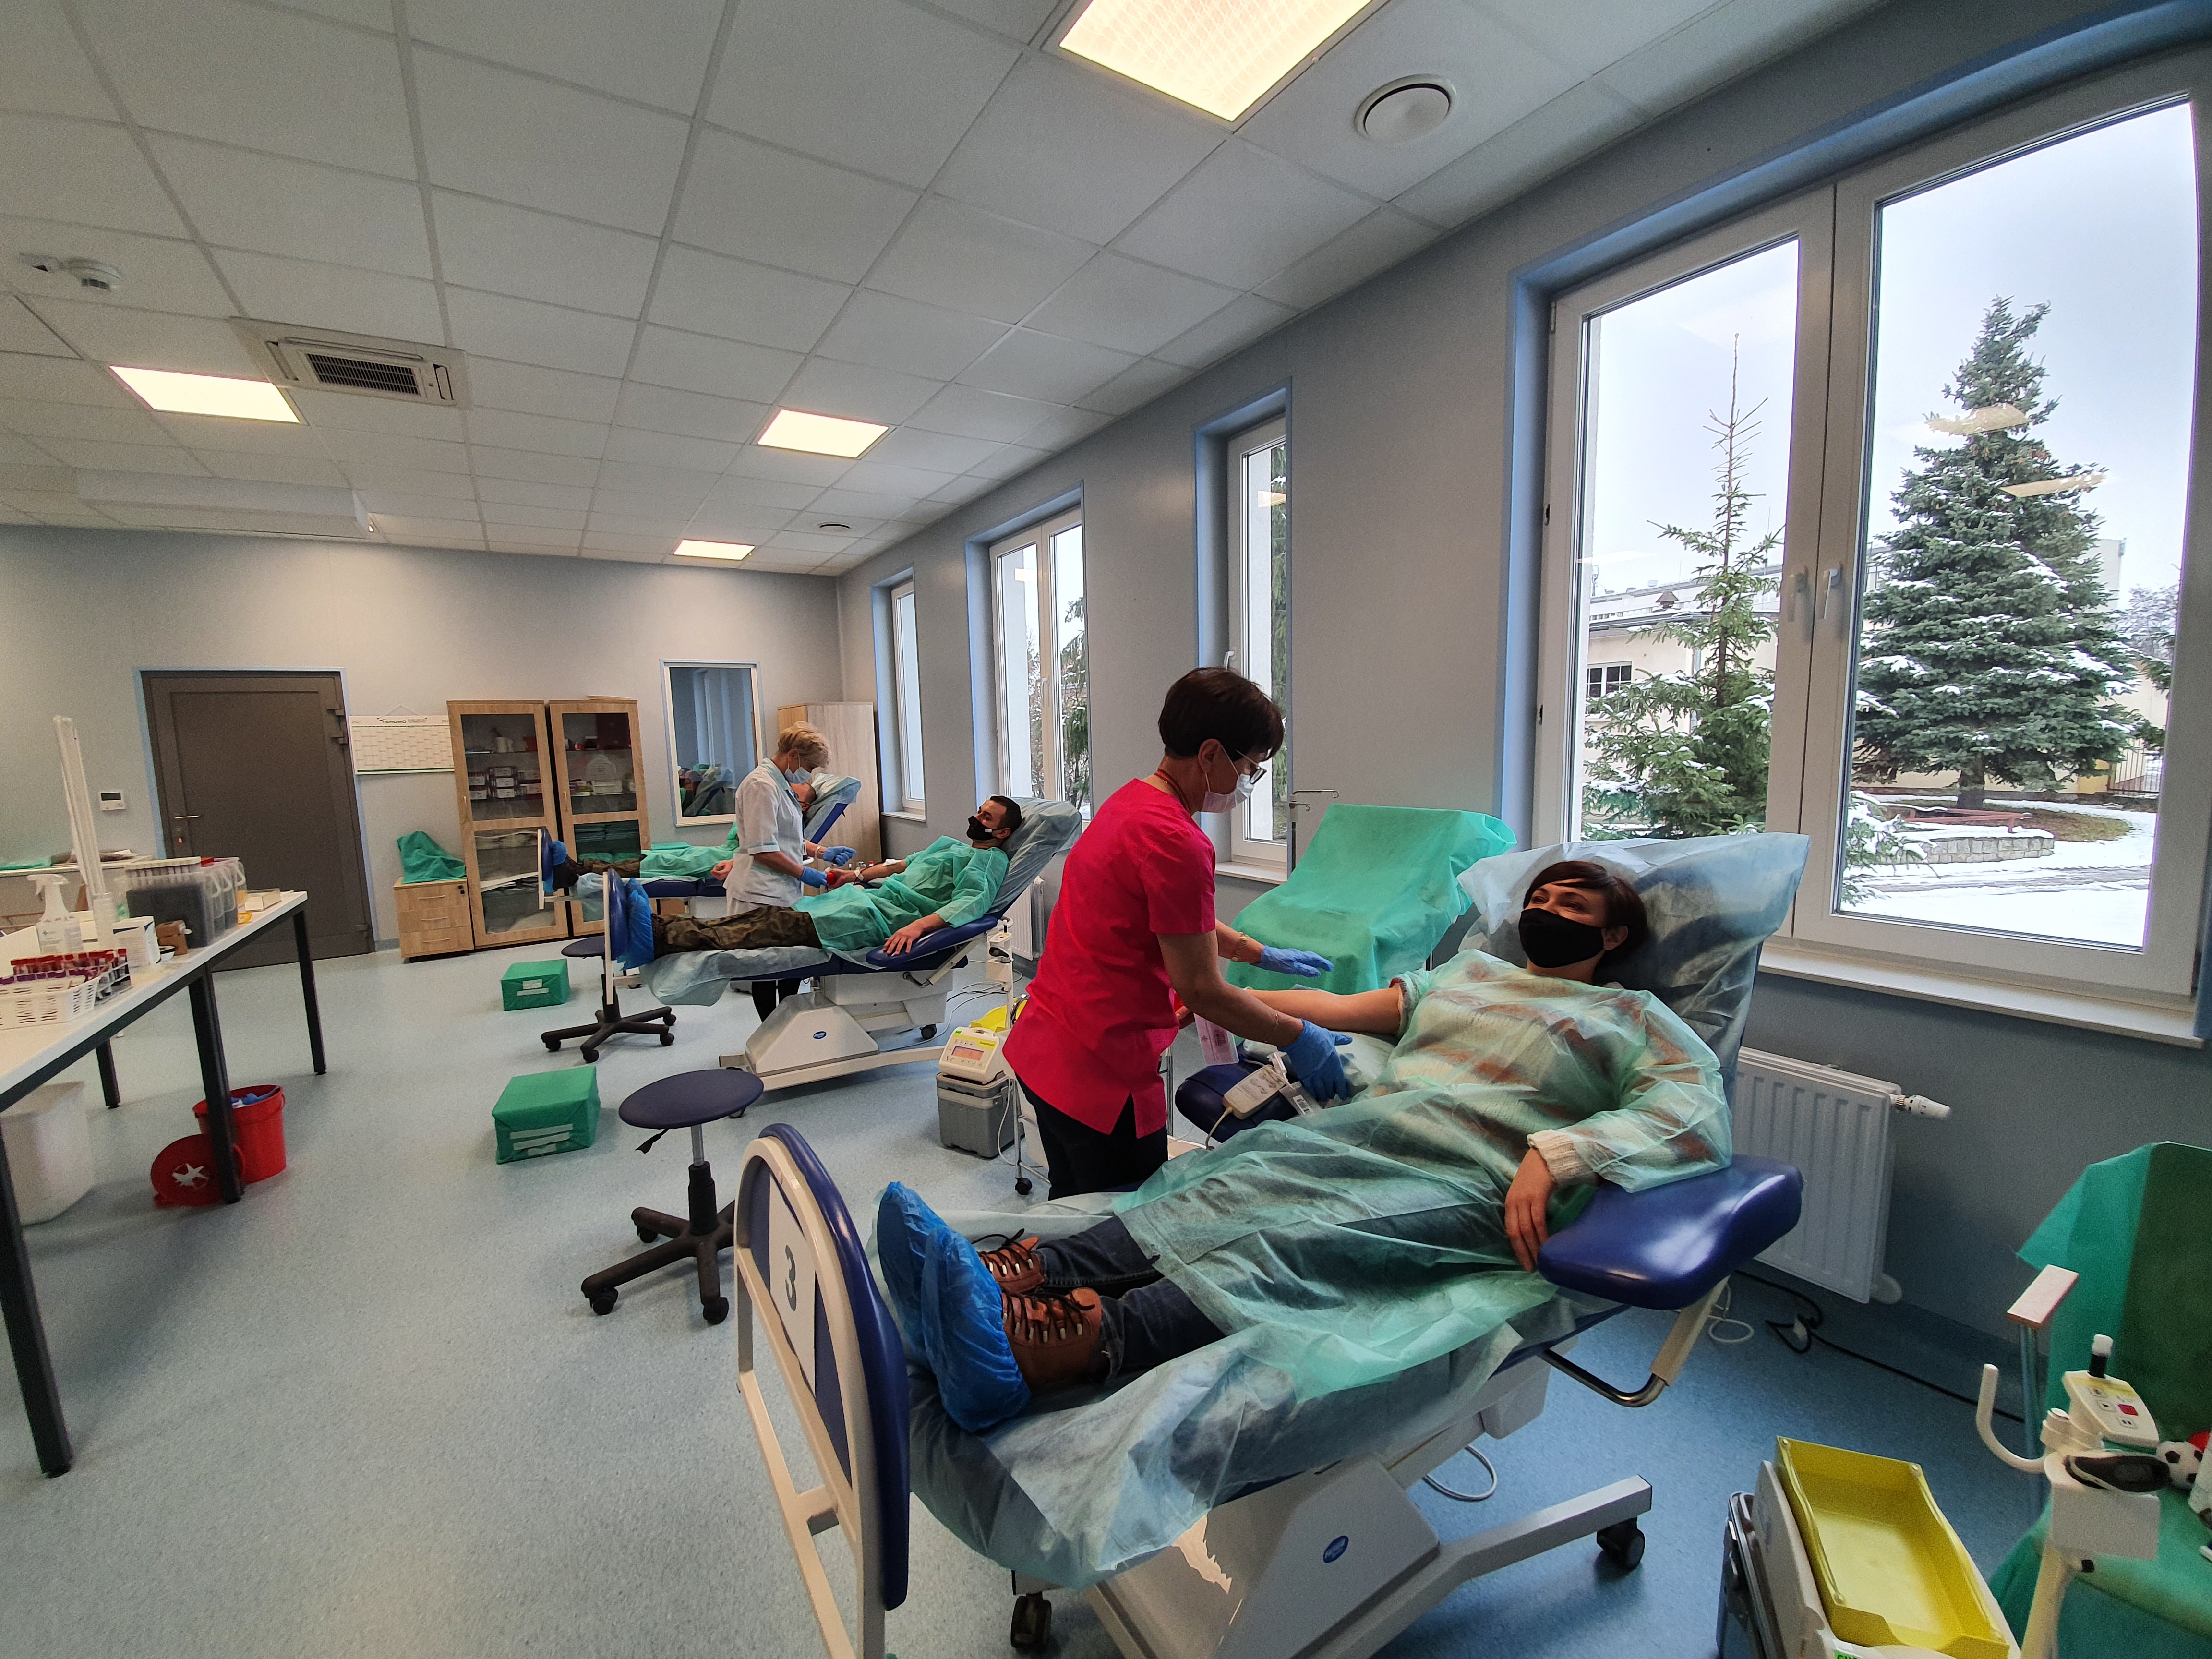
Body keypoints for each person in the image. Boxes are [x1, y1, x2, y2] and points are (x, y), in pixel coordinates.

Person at [885, 859, 1733, 1433]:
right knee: (1222, 1185)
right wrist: (1225, 996)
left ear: (1614, 938)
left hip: (1471, 1177)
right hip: (1368, 1136)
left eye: (1574, 909)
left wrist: (1560, 1153)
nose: (1547, 913)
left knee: (1296, 1241)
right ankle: (1014, 1277)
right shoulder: (1469, 976)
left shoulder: (1633, 1019)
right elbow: (1338, 1010)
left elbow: (1690, 1113)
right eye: (1540, 901)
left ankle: (1059, 1349)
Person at [1000, 668, 1345, 1199]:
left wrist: (1255, 952)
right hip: (1099, 1073)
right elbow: (1202, 990)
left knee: (1071, 1203)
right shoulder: (1176, 840)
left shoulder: (1130, 802)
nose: (1248, 783)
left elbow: (1171, 917)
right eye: (1249, 768)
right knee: (1117, 1222)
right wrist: (1299, 1036)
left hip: (1048, 1047)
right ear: (1210, 754)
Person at [650, 796, 1022, 960]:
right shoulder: (951, 847)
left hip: (883, 918)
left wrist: (917, 927)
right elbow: (899, 866)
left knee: (777, 928)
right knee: (773, 917)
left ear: (1003, 833)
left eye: (987, 818)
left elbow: (970, 903)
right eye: (979, 811)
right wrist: (854, 875)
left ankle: (665, 938)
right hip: (864, 900)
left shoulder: (989, 861)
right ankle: (665, 929)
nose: (977, 819)